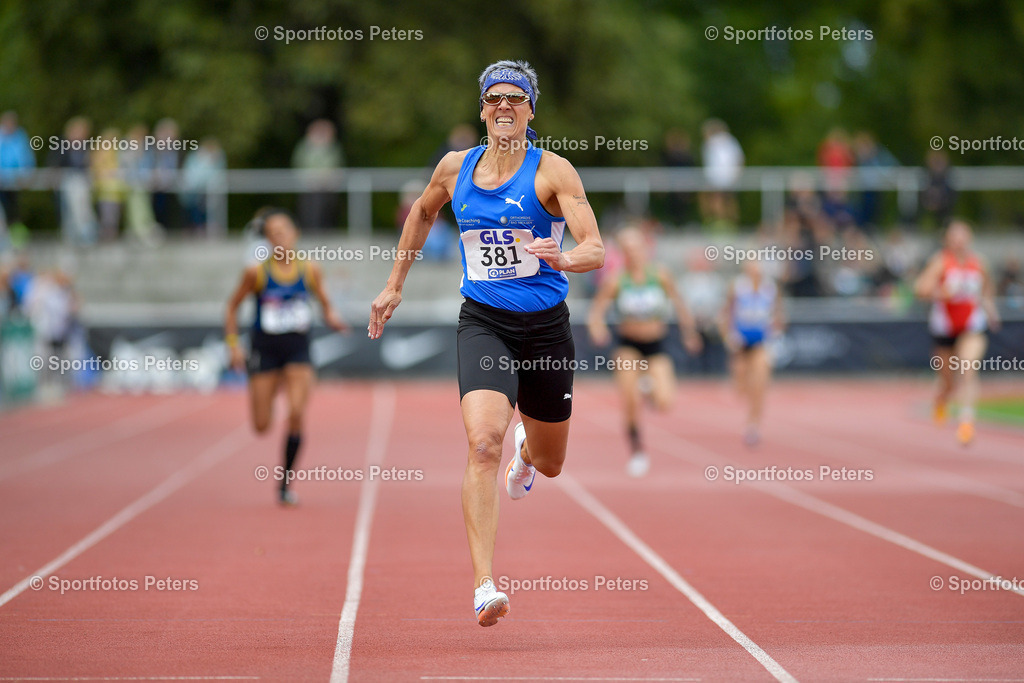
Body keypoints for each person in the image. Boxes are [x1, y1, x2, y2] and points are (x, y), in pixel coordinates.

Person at [367, 60, 604, 627]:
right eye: (494, 98)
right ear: (481, 109)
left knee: (549, 464)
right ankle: (483, 585)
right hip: (485, 322)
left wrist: (565, 257)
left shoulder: (553, 172)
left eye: (515, 99)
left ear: (529, 110)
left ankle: (527, 452)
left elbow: (595, 245)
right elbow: (422, 213)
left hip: (546, 328)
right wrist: (393, 284)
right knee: (481, 444)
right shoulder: (455, 169)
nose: (504, 107)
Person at [225, 208, 349, 504]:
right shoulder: (255, 273)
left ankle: (284, 484)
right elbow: (231, 308)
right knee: (261, 425)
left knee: (295, 414)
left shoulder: (310, 270)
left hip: (297, 350)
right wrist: (233, 345)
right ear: (267, 240)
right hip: (265, 351)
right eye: (273, 233)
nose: (280, 237)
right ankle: (269, 388)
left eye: (284, 230)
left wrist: (333, 318)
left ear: (295, 234)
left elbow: (325, 302)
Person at [587, 225, 701, 476]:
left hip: (656, 346)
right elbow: (597, 311)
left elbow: (681, 304)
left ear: (646, 249)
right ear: (623, 252)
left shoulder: (660, 275)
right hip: (627, 344)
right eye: (628, 249)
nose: (633, 253)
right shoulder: (616, 279)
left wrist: (689, 333)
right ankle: (637, 450)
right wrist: (598, 329)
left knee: (664, 402)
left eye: (637, 247)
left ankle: (648, 387)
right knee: (629, 401)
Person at [914, 220, 1000, 445]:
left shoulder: (979, 263)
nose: (959, 241)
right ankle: (941, 399)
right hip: (945, 329)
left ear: (969, 238)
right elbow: (920, 289)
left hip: (972, 326)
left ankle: (966, 422)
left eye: (963, 235)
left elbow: (987, 289)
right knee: (948, 383)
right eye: (955, 236)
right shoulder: (940, 262)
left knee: (968, 367)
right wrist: (941, 292)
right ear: (948, 240)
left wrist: (991, 310)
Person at [719, 259, 784, 446]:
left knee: (760, 382)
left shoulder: (770, 288)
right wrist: (728, 336)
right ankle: (746, 396)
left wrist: (776, 333)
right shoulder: (738, 287)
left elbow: (778, 314)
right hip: (740, 343)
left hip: (761, 342)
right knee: (741, 387)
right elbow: (725, 312)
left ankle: (753, 423)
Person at [292, 119, 343, 230]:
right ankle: (308, 230)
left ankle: (326, 230)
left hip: (327, 186)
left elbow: (336, 165)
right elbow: (298, 163)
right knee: (308, 209)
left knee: (328, 209)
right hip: (308, 186)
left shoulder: (333, 148)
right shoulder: (304, 147)